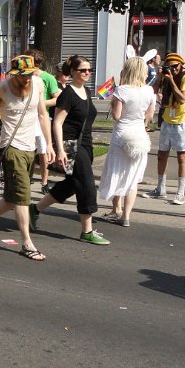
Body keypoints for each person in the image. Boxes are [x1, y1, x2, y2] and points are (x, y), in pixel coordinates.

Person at [0, 55, 53, 260]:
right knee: (23, 197)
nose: (26, 78)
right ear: (13, 74)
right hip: (11, 147)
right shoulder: (2, 88)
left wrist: (49, 145)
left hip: (30, 147)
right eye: (22, 75)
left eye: (29, 74)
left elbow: (43, 115)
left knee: (12, 198)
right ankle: (27, 243)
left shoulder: (38, 84)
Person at [31, 55, 110, 245]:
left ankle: (34, 210)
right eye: (83, 70)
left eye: (89, 70)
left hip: (86, 143)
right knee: (86, 184)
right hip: (70, 144)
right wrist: (59, 149)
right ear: (73, 72)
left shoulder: (87, 90)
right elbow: (57, 123)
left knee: (73, 184)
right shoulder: (68, 93)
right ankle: (87, 231)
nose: (87, 73)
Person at [98, 57, 156, 227]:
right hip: (139, 134)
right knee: (133, 177)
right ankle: (126, 216)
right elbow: (149, 116)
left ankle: (116, 209)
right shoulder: (149, 91)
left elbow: (117, 115)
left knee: (117, 172)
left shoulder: (121, 90)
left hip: (121, 134)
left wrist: (113, 103)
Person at [145, 52, 185, 205]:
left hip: (182, 122)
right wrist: (160, 77)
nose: (173, 69)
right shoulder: (165, 76)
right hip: (167, 120)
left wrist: (171, 80)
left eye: (175, 66)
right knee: (161, 155)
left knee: (181, 157)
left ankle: (180, 192)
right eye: (169, 67)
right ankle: (160, 188)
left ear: (181, 65)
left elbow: (182, 98)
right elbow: (153, 92)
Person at [29, 49, 60, 193]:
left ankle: (44, 182)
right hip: (28, 118)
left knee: (43, 152)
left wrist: (41, 103)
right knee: (27, 151)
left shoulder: (48, 78)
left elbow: (57, 98)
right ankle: (27, 179)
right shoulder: (24, 77)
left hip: (42, 118)